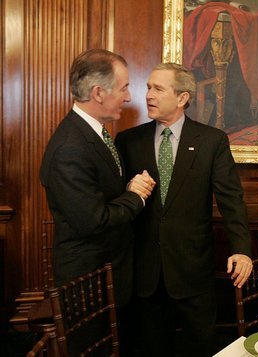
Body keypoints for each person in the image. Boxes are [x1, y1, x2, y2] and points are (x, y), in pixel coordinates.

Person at [115, 63, 253, 356]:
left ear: (182, 98)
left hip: (193, 267)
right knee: (151, 346)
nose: (149, 95)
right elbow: (118, 202)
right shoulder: (128, 141)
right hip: (145, 269)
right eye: (148, 87)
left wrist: (241, 248)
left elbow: (231, 199)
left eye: (158, 89)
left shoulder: (212, 141)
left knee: (201, 344)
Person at [40, 49, 156, 354]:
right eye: (124, 88)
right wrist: (136, 196)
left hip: (110, 274)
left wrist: (129, 186)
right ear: (98, 93)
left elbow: (103, 192)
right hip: (88, 282)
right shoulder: (70, 148)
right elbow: (95, 220)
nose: (129, 97)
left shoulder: (95, 134)